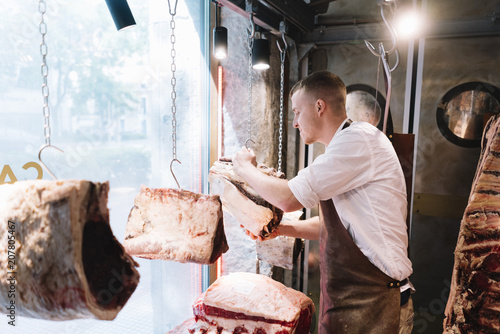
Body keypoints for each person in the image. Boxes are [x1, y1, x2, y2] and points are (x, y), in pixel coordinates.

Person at [232, 71, 413, 334]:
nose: (295, 122)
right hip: (354, 299)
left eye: (297, 111)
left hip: (377, 300)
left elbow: (288, 199)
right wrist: (279, 230)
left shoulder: (358, 140)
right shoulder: (343, 147)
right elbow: (329, 226)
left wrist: (244, 169)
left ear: (319, 107)